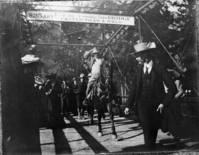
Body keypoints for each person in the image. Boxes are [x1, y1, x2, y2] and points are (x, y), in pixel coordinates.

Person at [124, 42, 177, 151]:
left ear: (145, 56)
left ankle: (151, 149)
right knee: (147, 131)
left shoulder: (160, 69)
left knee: (152, 132)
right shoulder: (138, 70)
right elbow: (133, 89)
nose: (136, 59)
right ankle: (149, 150)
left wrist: (164, 103)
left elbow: (172, 88)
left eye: (138, 56)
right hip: (142, 106)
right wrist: (128, 106)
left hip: (157, 107)